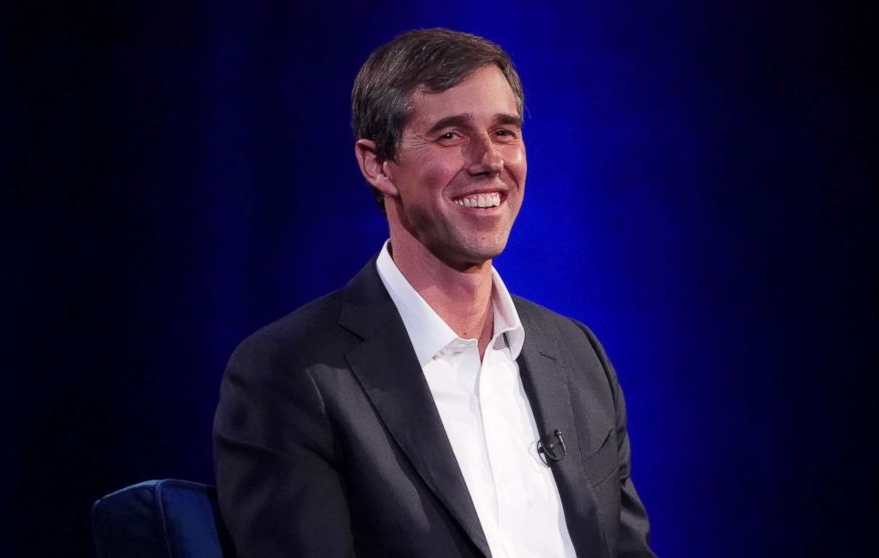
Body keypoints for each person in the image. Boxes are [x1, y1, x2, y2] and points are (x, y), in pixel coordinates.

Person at [213, 28, 655, 558]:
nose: (488, 159)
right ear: (378, 164)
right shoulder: (292, 373)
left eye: (505, 132)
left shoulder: (580, 359)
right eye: (450, 135)